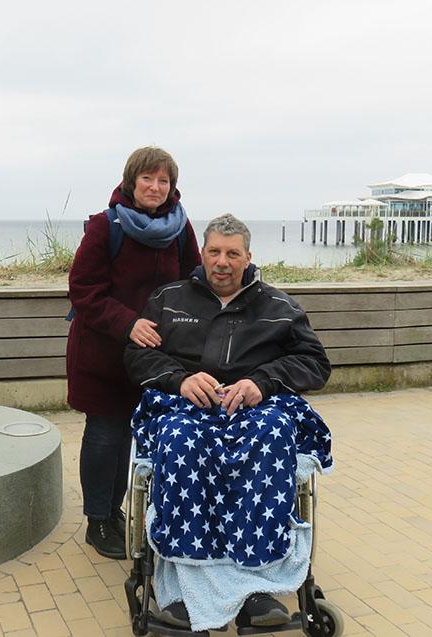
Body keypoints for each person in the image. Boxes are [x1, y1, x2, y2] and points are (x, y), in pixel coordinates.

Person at [125, 213, 333, 631]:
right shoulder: (168, 299)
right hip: (186, 404)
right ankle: (184, 587)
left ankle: (257, 589)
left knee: (273, 436)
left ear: (248, 257)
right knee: (178, 440)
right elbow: (138, 356)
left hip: (255, 407)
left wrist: (263, 382)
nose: (223, 262)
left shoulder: (280, 307)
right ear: (202, 254)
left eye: (233, 254)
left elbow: (315, 362)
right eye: (215, 252)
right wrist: (180, 379)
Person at [66, 146, 201, 560]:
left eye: (163, 181)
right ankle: (98, 520)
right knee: (106, 435)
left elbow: (193, 280)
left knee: (133, 435)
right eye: (147, 178)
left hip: (152, 358)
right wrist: (128, 323)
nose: (155, 187)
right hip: (103, 353)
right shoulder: (105, 226)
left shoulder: (180, 228)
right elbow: (83, 290)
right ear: (131, 181)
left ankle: (118, 510)